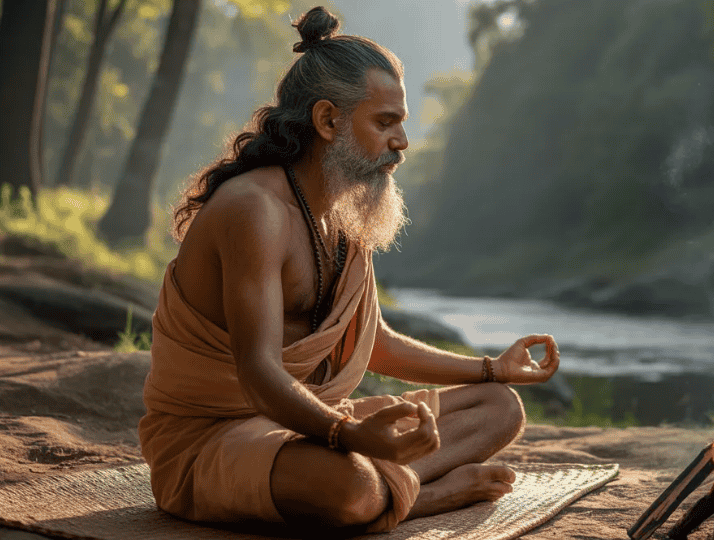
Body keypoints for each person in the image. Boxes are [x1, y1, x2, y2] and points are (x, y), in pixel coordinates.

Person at [137, 6, 560, 535]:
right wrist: (349, 435)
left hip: (308, 426)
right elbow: (259, 374)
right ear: (328, 120)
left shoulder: (342, 214)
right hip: (213, 439)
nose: (401, 142)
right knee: (350, 488)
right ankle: (427, 495)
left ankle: (390, 482)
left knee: (499, 408)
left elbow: (372, 341)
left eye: (402, 124)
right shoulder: (255, 210)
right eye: (385, 123)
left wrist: (491, 369)